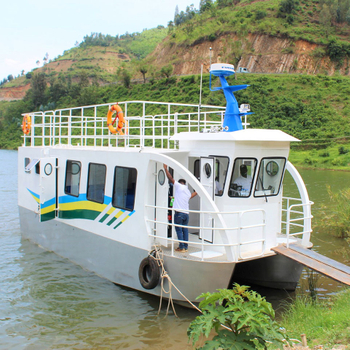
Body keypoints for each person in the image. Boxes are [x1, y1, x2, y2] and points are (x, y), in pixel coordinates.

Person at [163, 164, 197, 252]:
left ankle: (181, 247)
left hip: (179, 214)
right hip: (186, 215)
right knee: (185, 230)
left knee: (178, 230)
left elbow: (170, 178)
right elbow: (191, 196)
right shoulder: (187, 191)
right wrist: (197, 191)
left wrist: (166, 169)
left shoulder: (179, 186)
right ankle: (185, 246)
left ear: (180, 183)